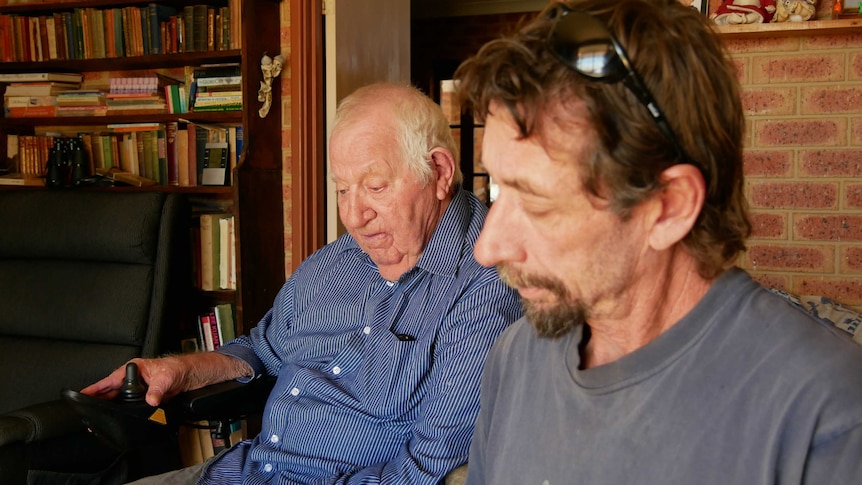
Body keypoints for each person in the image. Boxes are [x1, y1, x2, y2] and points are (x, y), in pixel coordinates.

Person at [454, 0, 862, 483]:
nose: (487, 248)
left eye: (537, 202)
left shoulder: (826, 413)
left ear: (668, 207)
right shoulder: (516, 359)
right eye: (497, 189)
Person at [82, 82, 522, 484]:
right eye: (343, 190)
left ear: (439, 173)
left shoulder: (485, 286)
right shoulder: (337, 261)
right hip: (244, 470)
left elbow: (427, 468)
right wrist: (179, 369)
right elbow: (262, 348)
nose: (353, 216)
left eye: (375, 186)